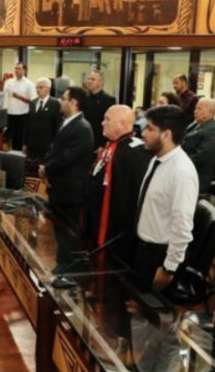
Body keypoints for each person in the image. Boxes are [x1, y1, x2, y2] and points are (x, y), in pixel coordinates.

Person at [134, 104, 199, 293]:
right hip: (144, 248)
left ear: (166, 134)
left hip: (160, 255)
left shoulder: (181, 171)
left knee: (153, 317)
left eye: (150, 128)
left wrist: (169, 267)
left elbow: (182, 225)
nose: (143, 133)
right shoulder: (157, 159)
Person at [86, 105, 148, 268]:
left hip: (116, 233)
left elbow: (131, 196)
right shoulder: (110, 146)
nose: (102, 123)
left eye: (107, 119)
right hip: (96, 223)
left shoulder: (135, 151)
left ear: (122, 124)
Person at [40, 87, 94, 272]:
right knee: (60, 233)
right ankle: (62, 267)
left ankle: (68, 271)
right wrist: (45, 168)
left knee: (68, 235)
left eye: (64, 98)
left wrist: (46, 168)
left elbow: (67, 157)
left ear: (74, 102)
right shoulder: (67, 123)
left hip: (70, 191)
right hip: (58, 187)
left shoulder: (82, 128)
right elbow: (54, 149)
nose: (60, 101)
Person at [182, 97, 215, 192]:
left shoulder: (213, 129)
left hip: (197, 173)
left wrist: (181, 162)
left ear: (209, 111)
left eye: (199, 108)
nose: (195, 111)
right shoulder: (194, 124)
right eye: (195, 108)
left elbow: (202, 156)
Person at [24, 77, 61, 161]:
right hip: (32, 144)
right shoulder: (32, 103)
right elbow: (27, 124)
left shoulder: (55, 104)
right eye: (37, 87)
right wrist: (25, 143)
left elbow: (58, 126)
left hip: (47, 145)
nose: (38, 90)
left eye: (41, 87)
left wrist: (55, 145)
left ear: (48, 89)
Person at [3, 62, 36, 151]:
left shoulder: (29, 84)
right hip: (11, 113)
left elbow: (33, 101)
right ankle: (12, 154)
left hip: (23, 114)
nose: (16, 71)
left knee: (20, 137)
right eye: (16, 68)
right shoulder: (9, 82)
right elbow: (4, 95)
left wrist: (19, 97)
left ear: (24, 70)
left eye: (19, 69)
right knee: (10, 136)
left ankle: (19, 156)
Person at [83, 70, 117, 150]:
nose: (89, 81)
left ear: (101, 82)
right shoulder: (84, 98)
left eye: (93, 79)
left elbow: (109, 123)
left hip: (98, 142)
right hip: (84, 140)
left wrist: (103, 145)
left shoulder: (109, 100)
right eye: (88, 79)